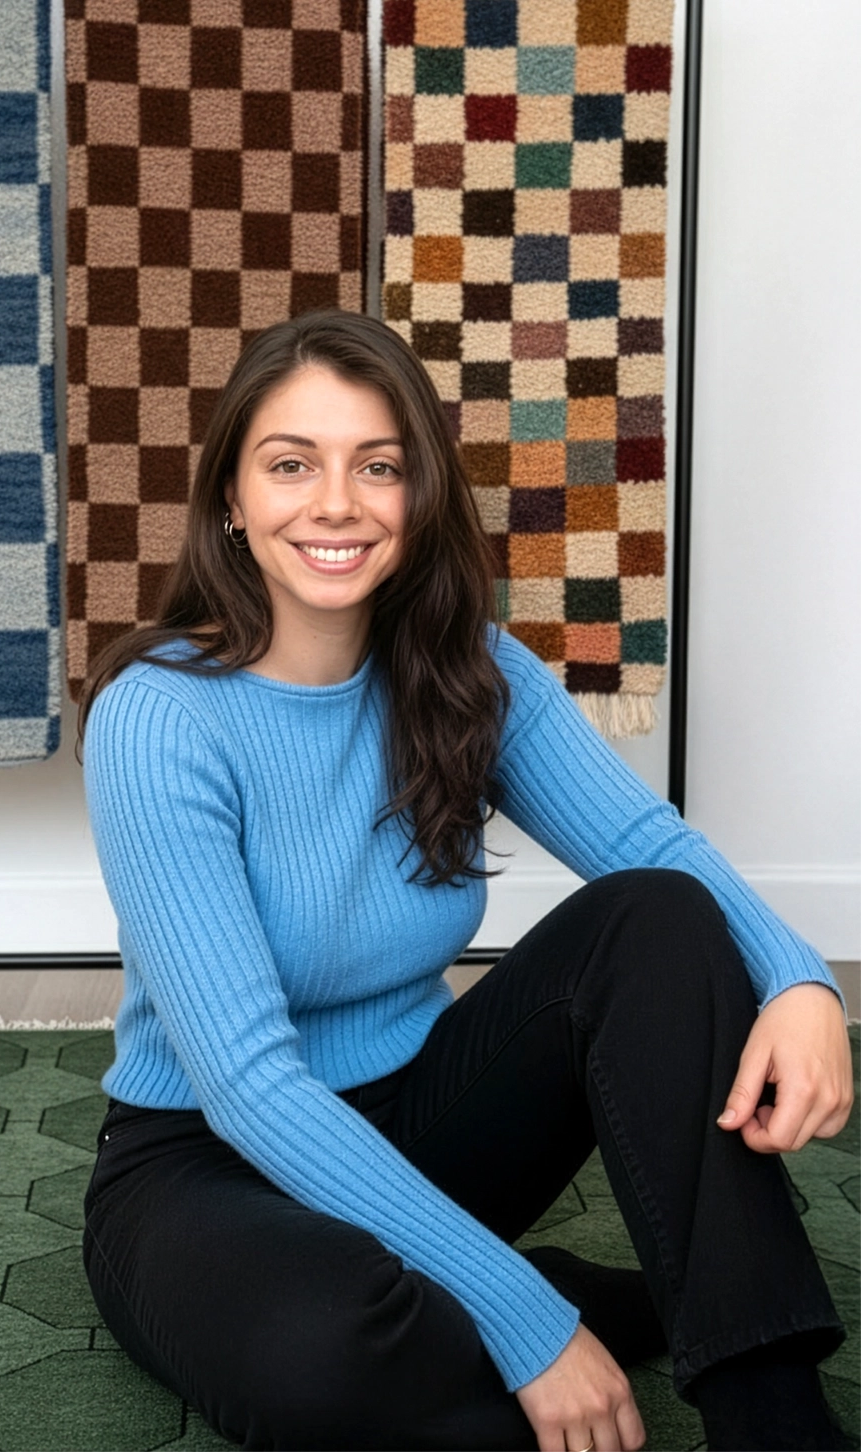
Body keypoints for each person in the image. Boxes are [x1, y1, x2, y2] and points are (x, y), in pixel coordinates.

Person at [77, 310, 854, 1452]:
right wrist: (527, 1316)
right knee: (326, 1356)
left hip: (419, 1117)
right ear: (233, 498)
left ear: (419, 494)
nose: (334, 502)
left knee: (658, 921)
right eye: (291, 464)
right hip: (201, 1161)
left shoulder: (473, 671)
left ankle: (773, 1417)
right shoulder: (159, 715)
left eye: (377, 466)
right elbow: (245, 1084)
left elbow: (651, 846)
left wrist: (800, 981)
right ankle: (523, 1300)